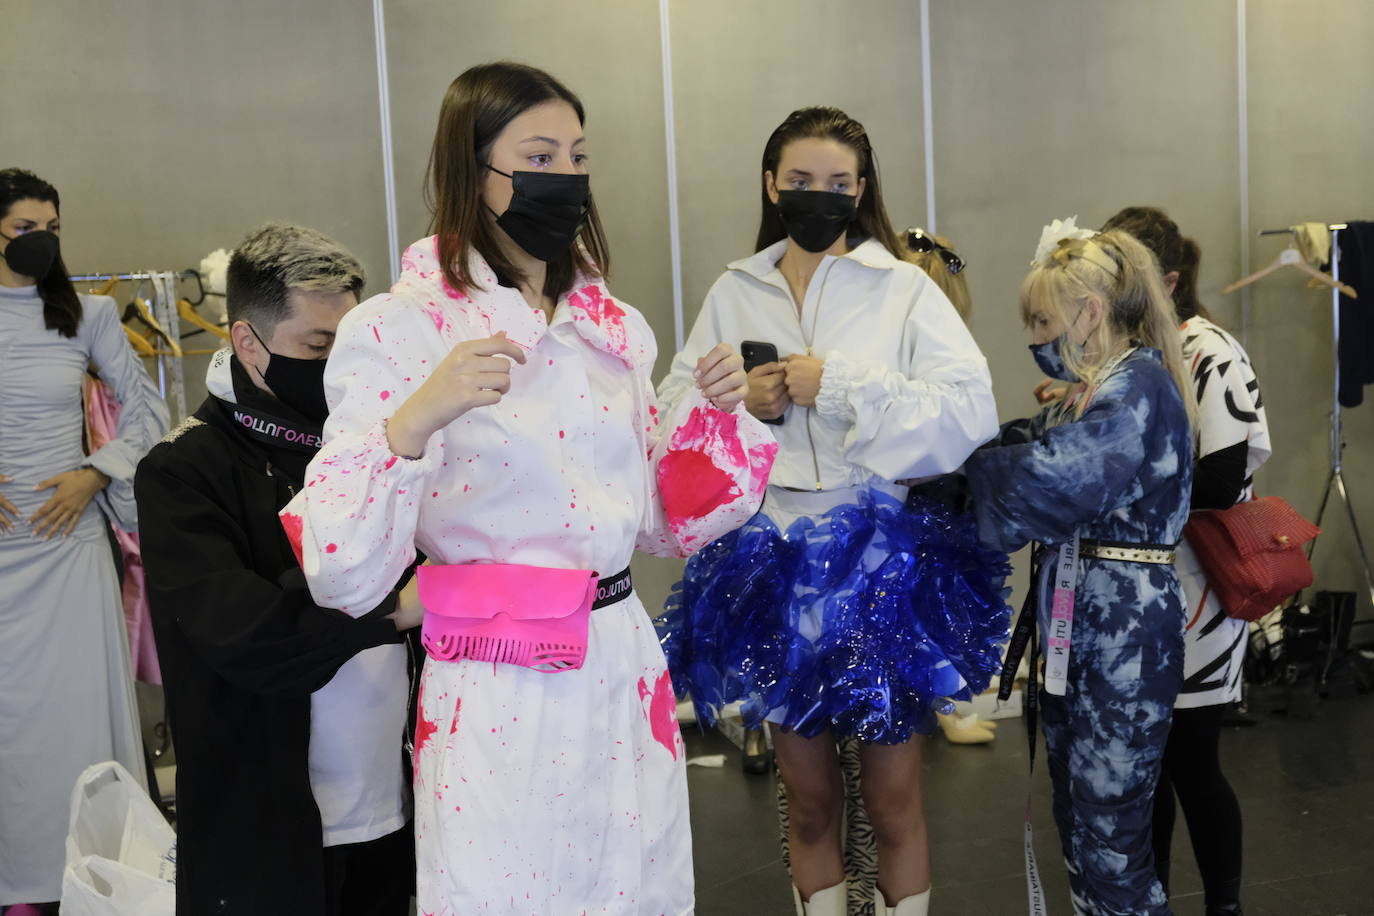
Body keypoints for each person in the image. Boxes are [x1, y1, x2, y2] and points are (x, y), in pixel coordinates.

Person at [282, 62, 775, 915]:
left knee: (636, 887)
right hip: (499, 674)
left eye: (577, 158)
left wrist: (709, 416)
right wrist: (417, 418)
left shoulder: (610, 326)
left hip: (620, 657)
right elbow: (343, 569)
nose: (567, 179)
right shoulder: (397, 328)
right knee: (506, 890)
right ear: (475, 172)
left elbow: (657, 523)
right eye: (538, 157)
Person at [658, 107, 1006, 916]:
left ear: (862, 190)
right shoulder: (734, 289)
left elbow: (970, 410)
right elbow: (672, 409)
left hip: (880, 557)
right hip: (772, 559)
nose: (820, 197)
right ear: (771, 185)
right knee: (807, 799)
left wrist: (844, 386)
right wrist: (741, 401)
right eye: (802, 181)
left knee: (893, 801)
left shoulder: (904, 288)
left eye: (840, 184)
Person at [136, 223, 419, 916]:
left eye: (354, 346)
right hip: (265, 831)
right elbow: (247, 637)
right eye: (319, 348)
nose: (342, 370)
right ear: (246, 343)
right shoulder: (183, 471)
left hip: (392, 807)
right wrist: (396, 609)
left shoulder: (374, 448)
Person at [965, 219, 1197, 915]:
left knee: (1110, 833)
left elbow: (1053, 477)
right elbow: (1025, 442)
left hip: (1122, 636)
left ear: (1089, 313)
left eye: (1042, 320)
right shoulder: (1094, 392)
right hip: (1084, 625)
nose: (1034, 338)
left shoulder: (1138, 390)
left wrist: (965, 477)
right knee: (1081, 822)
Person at [0, 168, 167, 914]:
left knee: (74, 722)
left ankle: (92, 881)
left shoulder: (89, 314)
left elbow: (147, 413)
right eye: (26, 229)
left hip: (66, 547)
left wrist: (94, 474)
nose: (43, 242)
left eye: (53, 229)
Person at [1100, 206, 1268, 916]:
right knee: (1146, 771)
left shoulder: (1211, 353)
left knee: (1192, 762)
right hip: (1136, 591)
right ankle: (1151, 900)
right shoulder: (1126, 353)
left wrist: (1107, 480)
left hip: (1196, 587)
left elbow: (1220, 484)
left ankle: (1223, 906)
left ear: (1166, 280)